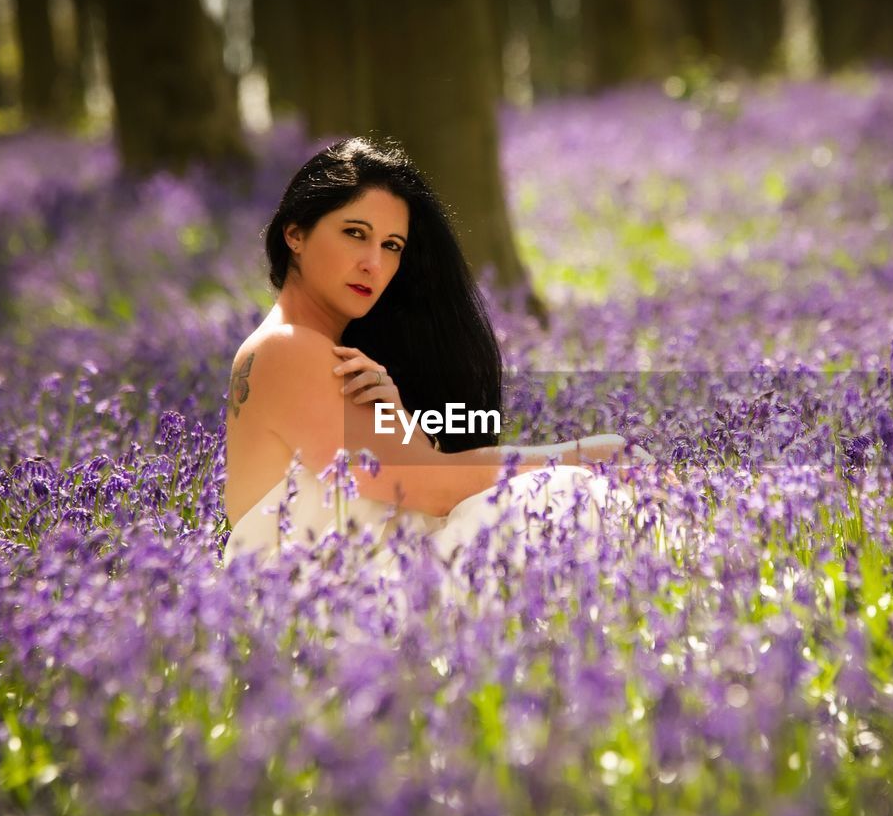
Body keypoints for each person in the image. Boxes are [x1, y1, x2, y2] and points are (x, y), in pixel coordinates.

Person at [222, 136, 637, 567]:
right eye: (354, 233)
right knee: (569, 496)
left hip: (367, 588)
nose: (373, 263)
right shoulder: (287, 347)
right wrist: (586, 455)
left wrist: (399, 416)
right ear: (295, 233)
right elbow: (433, 489)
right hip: (328, 607)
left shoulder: (330, 353)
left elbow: (415, 476)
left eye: (391, 246)